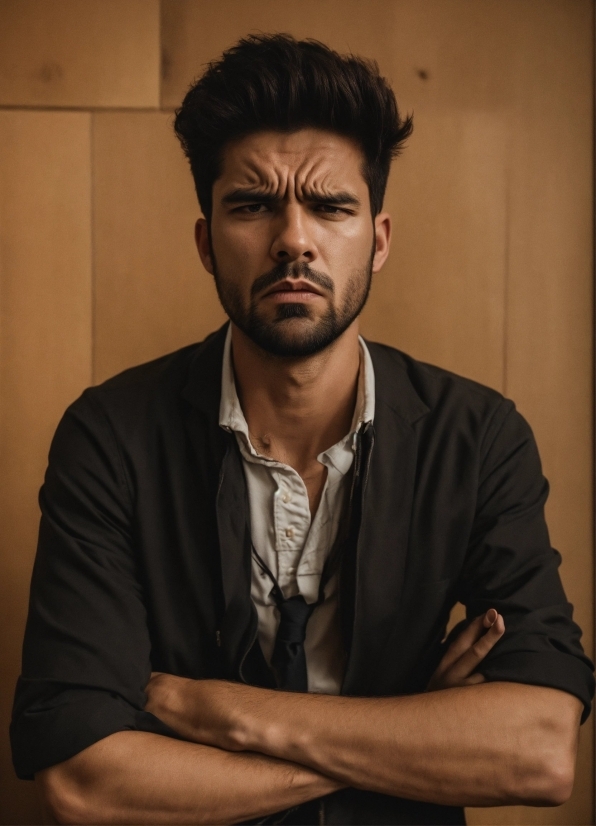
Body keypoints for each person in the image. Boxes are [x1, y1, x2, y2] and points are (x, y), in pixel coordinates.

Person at [11, 34, 594, 826]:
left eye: (330, 206)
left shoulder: (477, 436)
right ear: (205, 241)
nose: (293, 238)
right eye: (251, 205)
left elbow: (538, 750)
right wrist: (409, 735)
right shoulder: (111, 436)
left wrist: (226, 714)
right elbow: (83, 780)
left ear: (378, 240)